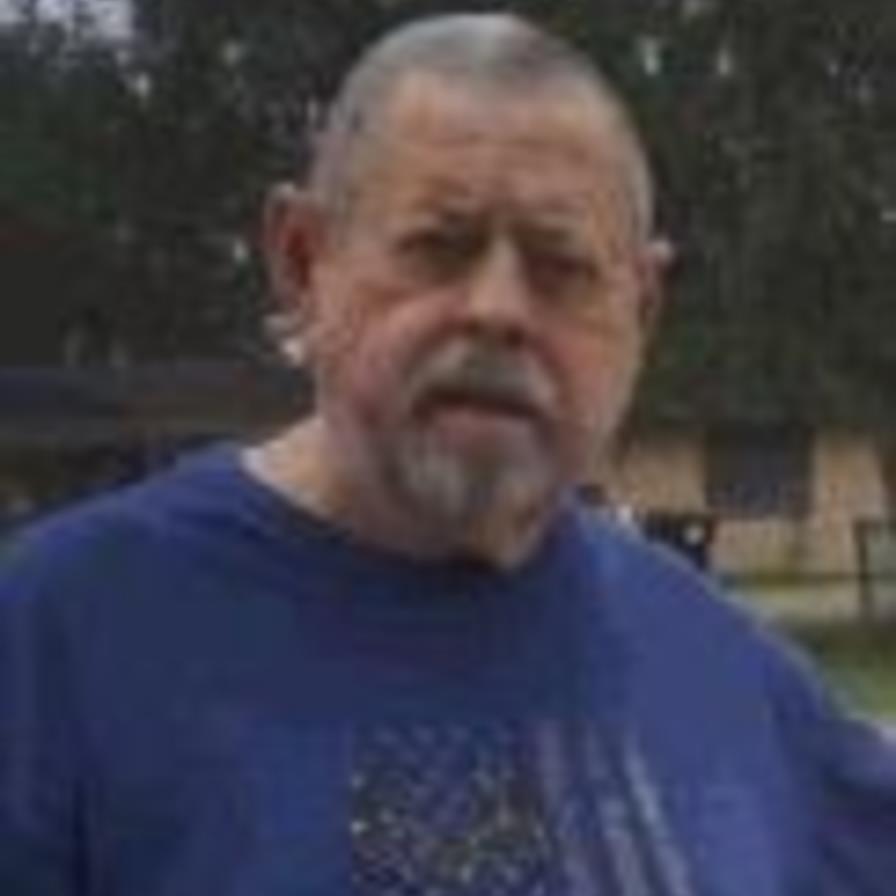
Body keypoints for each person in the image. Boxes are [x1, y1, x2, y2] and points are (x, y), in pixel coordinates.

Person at [1, 13, 894, 895]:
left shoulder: (719, 668)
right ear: (303, 260)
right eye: (438, 248)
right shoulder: (63, 639)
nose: (497, 310)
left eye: (561, 267)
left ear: (642, 308)